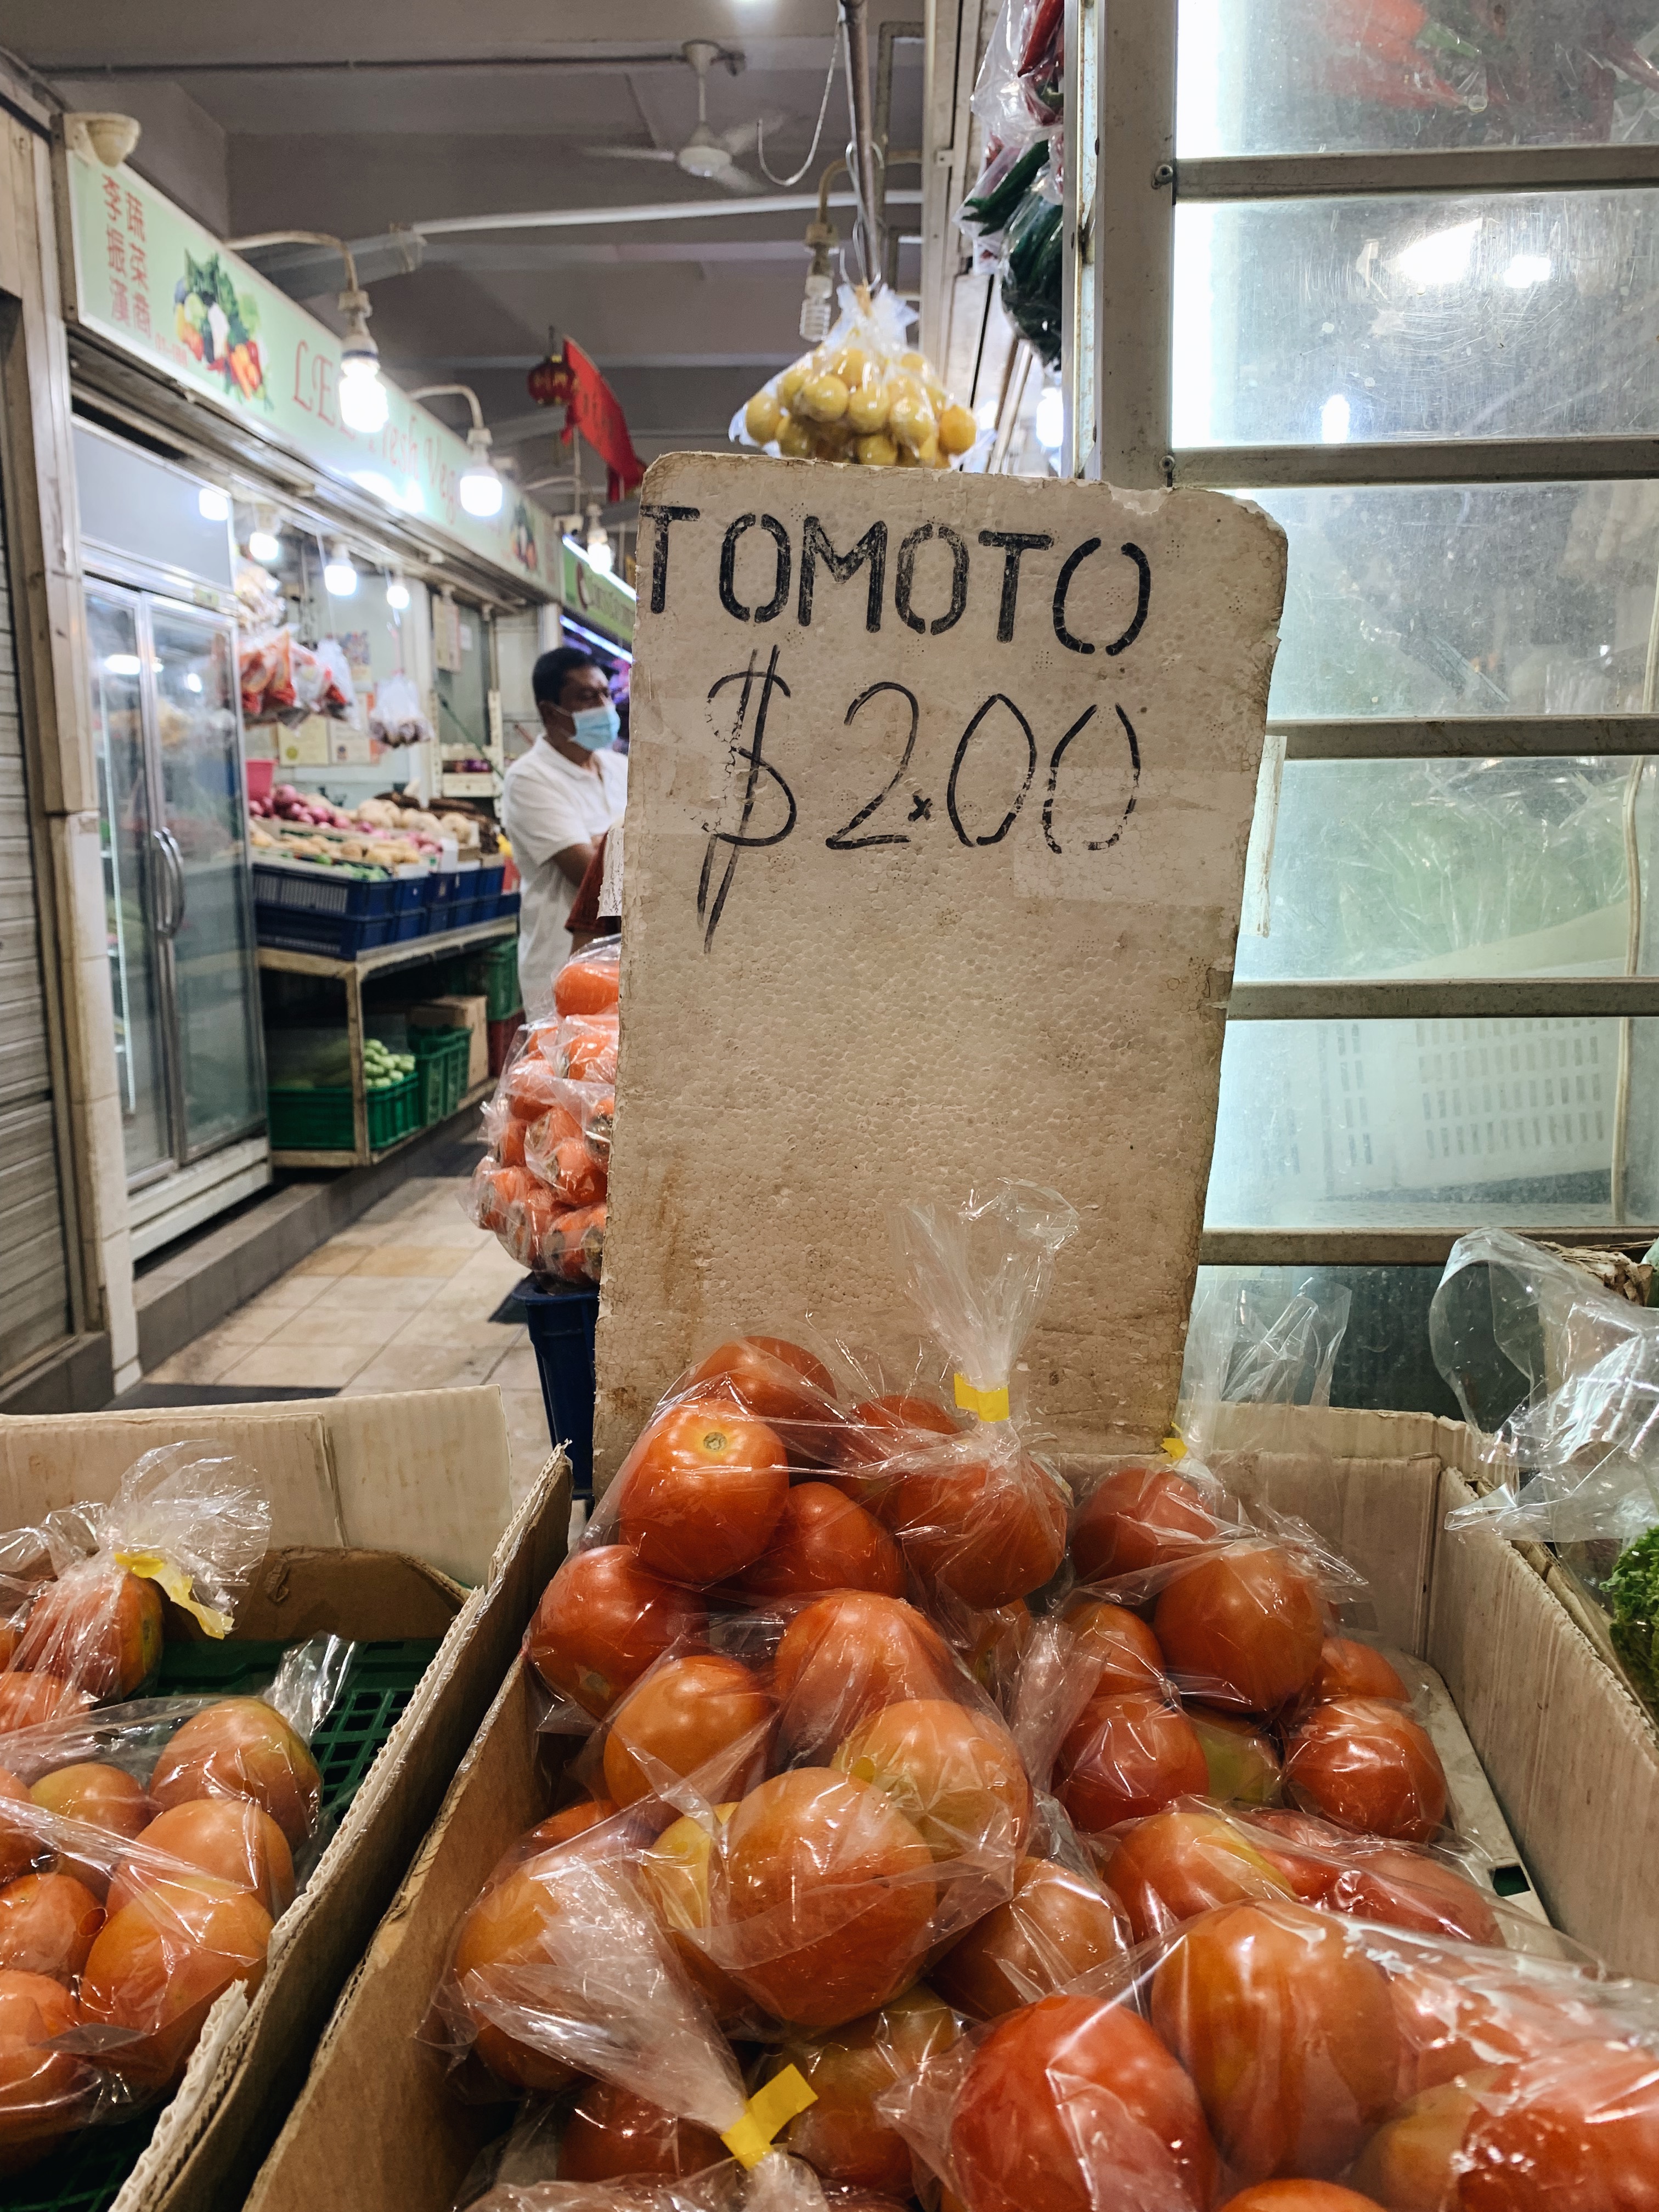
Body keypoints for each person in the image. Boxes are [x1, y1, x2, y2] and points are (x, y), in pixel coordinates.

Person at [500, 645, 627, 1010]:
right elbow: (591, 877)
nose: (603, 706)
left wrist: (603, 843)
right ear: (549, 711)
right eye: (586, 697)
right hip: (561, 968)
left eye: (605, 694)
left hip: (624, 964)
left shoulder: (620, 768)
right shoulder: (529, 779)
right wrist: (622, 845)